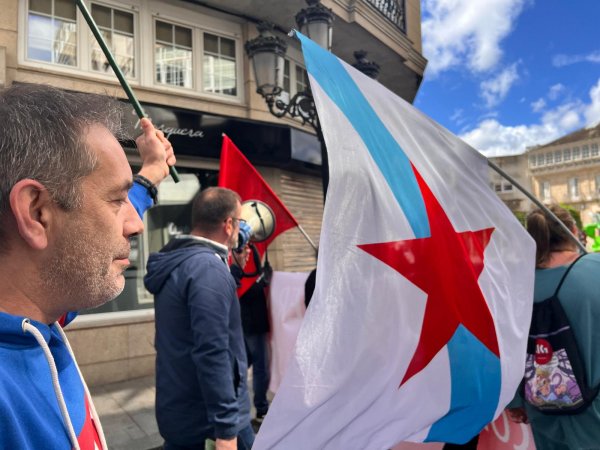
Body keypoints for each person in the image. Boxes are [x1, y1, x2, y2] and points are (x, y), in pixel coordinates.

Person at [0, 84, 174, 450]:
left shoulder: (41, 310)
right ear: (37, 213)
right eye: (117, 199)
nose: (136, 224)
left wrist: (151, 174)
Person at [145, 187, 254, 450]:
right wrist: (226, 430)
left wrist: (234, 272)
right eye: (239, 221)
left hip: (181, 411)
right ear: (228, 225)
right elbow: (212, 351)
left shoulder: (182, 260)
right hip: (209, 423)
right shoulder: (208, 269)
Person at [507, 205, 600, 449]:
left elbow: (506, 348)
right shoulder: (595, 268)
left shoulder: (515, 286)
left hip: (543, 411)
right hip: (594, 414)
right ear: (573, 231)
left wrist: (515, 401)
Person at [230, 244, 271, 426]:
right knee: (260, 368)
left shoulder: (250, 248)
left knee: (243, 364)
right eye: (243, 252)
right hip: (251, 322)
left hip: (252, 320)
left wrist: (262, 275)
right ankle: (261, 409)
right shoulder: (235, 253)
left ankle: (235, 400)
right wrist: (261, 281)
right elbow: (242, 288)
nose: (246, 254)